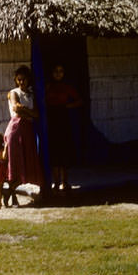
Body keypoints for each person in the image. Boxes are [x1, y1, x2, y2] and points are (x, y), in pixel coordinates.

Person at [4, 65, 44, 206]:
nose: (21, 82)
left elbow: (36, 114)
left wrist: (25, 110)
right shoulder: (14, 92)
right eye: (19, 79)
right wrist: (28, 111)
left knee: (25, 162)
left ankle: (10, 192)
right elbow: (16, 108)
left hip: (27, 129)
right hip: (16, 129)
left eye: (24, 79)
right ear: (16, 80)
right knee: (15, 162)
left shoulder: (31, 95)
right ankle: (10, 193)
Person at [45, 64, 83, 192]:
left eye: (61, 71)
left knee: (64, 151)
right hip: (52, 121)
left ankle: (64, 181)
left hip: (64, 121)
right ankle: (55, 182)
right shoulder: (48, 87)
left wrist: (67, 106)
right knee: (55, 152)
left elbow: (79, 100)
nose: (58, 74)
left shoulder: (67, 87)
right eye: (55, 71)